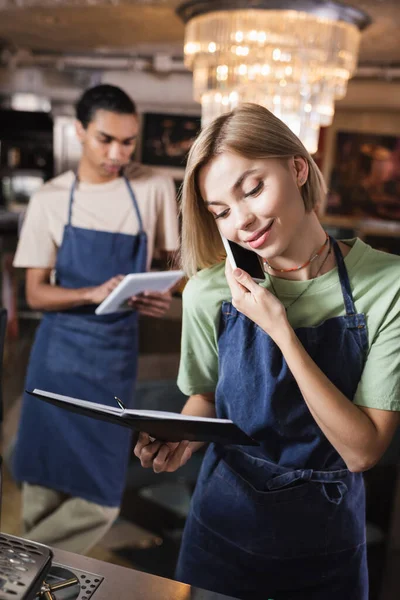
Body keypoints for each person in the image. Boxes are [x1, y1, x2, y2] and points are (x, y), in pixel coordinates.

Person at [134, 103, 400, 599]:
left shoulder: (388, 285)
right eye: (221, 212)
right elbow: (206, 398)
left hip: (325, 545)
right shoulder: (207, 292)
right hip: (220, 532)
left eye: (253, 188)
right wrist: (181, 439)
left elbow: (362, 450)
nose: (243, 221)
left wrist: (281, 331)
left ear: (298, 168)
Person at [12, 84, 179, 554]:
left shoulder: (153, 188)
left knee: (100, 501)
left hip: (113, 361)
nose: (117, 153)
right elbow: (36, 293)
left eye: (128, 141)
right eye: (106, 139)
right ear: (80, 131)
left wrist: (161, 293)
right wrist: (91, 292)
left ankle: (14, 567)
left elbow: (170, 263)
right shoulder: (51, 198)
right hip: (57, 358)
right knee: (41, 493)